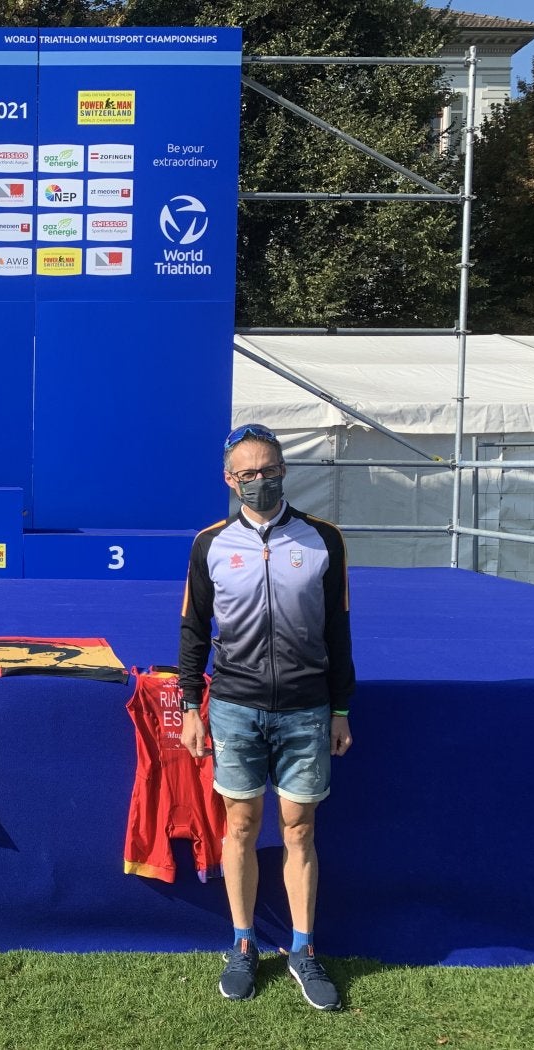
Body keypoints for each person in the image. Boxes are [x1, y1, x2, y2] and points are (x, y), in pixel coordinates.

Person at [178, 423, 355, 1011]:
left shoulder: (324, 538)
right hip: (233, 706)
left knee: (300, 827)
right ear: (230, 480)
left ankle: (303, 950)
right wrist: (189, 707)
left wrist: (340, 707)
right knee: (241, 825)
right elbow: (194, 631)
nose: (260, 481)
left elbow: (338, 631)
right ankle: (242, 942)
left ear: (284, 470)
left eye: (269, 469)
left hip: (306, 709)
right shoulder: (210, 544)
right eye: (248, 473)